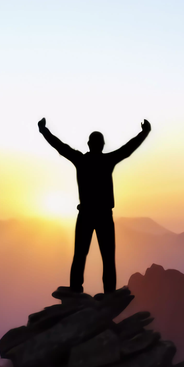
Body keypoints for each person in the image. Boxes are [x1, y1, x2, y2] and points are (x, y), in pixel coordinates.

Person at [38, 117, 151, 295]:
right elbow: (128, 149)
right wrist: (145, 132)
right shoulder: (108, 161)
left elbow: (60, 147)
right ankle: (109, 294)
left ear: (89, 144)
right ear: (103, 145)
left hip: (86, 215)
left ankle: (76, 289)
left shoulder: (81, 160)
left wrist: (44, 130)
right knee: (107, 258)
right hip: (104, 215)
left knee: (80, 255)